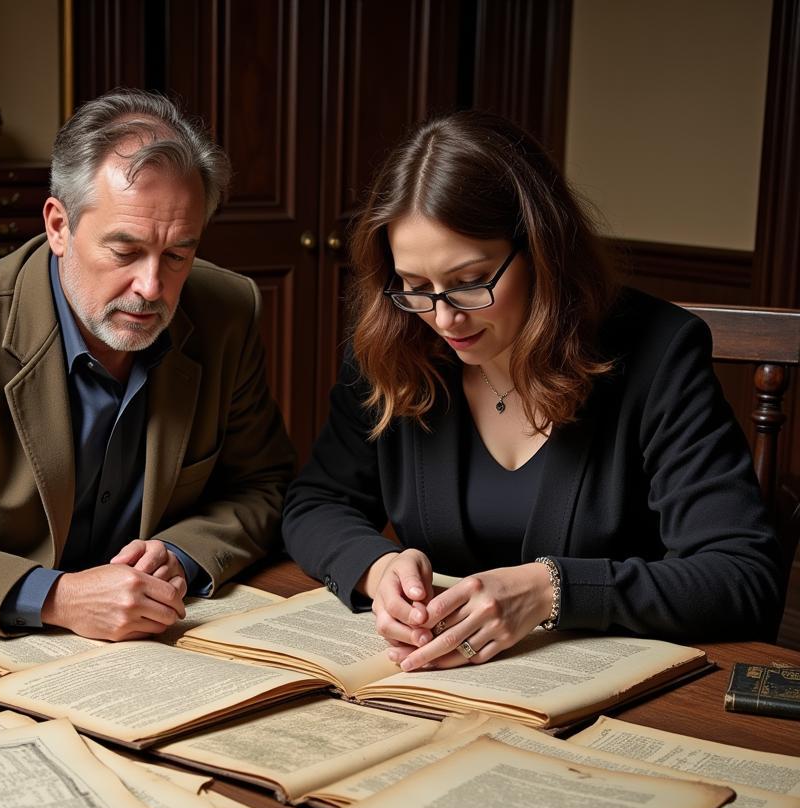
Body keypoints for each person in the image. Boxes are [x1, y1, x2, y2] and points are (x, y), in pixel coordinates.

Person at [282, 110, 783, 670]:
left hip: (605, 690)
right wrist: (377, 568)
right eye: (417, 287)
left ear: (542, 251)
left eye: (471, 282)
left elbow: (743, 576)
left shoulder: (658, 354)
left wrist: (552, 590)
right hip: (443, 682)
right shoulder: (396, 345)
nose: (444, 319)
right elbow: (317, 503)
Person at [0, 89, 294, 641]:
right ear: (58, 226)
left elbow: (266, 486)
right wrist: (54, 596)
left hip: (127, 651)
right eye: (125, 251)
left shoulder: (227, 312)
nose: (152, 286)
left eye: (178, 254)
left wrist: (183, 553)